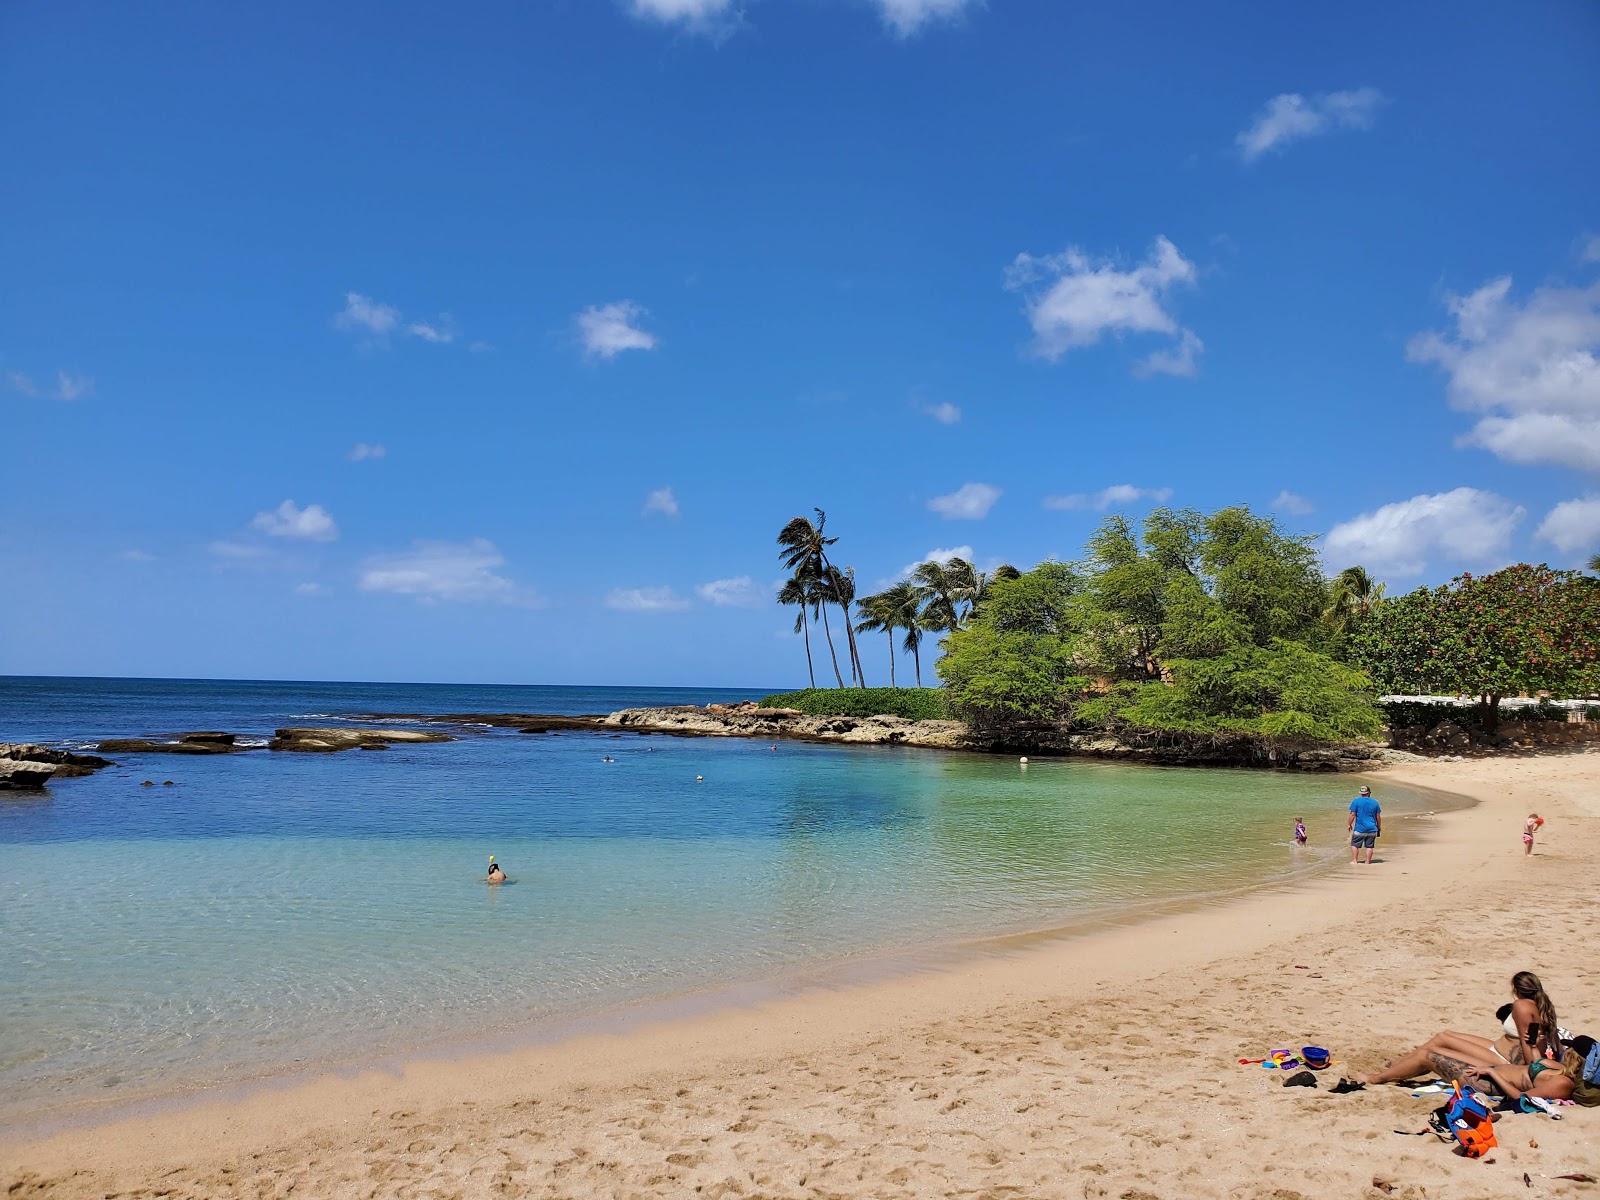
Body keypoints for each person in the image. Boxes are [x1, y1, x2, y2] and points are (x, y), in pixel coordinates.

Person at [1347, 784, 1381, 865]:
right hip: (1372, 828)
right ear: (1369, 793)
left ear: (1361, 793)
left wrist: (1349, 824)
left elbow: (1352, 814)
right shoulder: (1375, 802)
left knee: (1355, 844)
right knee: (1369, 846)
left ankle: (1355, 861)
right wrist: (1379, 826)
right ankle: (1367, 861)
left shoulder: (1356, 801)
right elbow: (1378, 816)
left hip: (1360, 828)